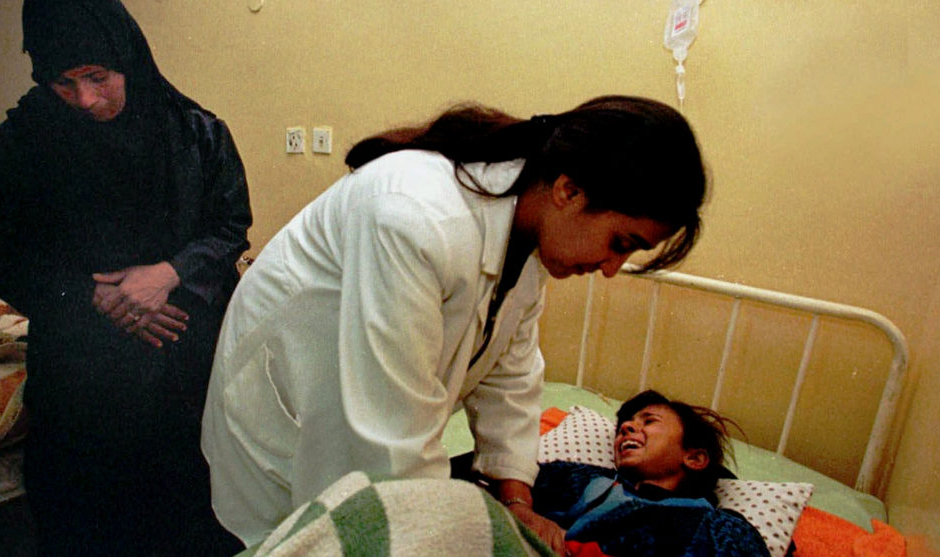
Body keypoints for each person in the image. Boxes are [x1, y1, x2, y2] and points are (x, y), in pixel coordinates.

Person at [201, 95, 708, 549]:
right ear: (569, 190)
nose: (611, 270)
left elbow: (511, 376)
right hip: (281, 423)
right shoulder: (413, 214)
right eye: (620, 243)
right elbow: (392, 434)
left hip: (347, 424)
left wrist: (516, 502)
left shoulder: (529, 242)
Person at [0, 0, 251, 554]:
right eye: (65, 83)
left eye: (98, 77)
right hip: (80, 363)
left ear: (129, 59)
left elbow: (230, 224)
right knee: (85, 517)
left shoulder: (195, 134)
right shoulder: (21, 144)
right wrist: (91, 294)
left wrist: (168, 274)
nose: (86, 100)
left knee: (188, 510)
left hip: (182, 360)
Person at [530, 391, 770, 556]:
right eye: (624, 426)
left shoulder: (721, 527)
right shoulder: (582, 478)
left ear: (694, 458)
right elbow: (504, 486)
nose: (626, 427)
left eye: (649, 421)